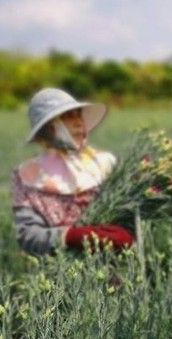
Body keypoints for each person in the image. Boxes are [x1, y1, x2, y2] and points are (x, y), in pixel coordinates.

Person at [11, 87, 134, 255]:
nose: (79, 122)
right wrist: (69, 236)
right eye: (68, 116)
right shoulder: (28, 176)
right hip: (59, 275)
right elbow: (28, 236)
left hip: (112, 266)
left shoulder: (105, 163)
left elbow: (128, 211)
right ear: (49, 127)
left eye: (79, 114)